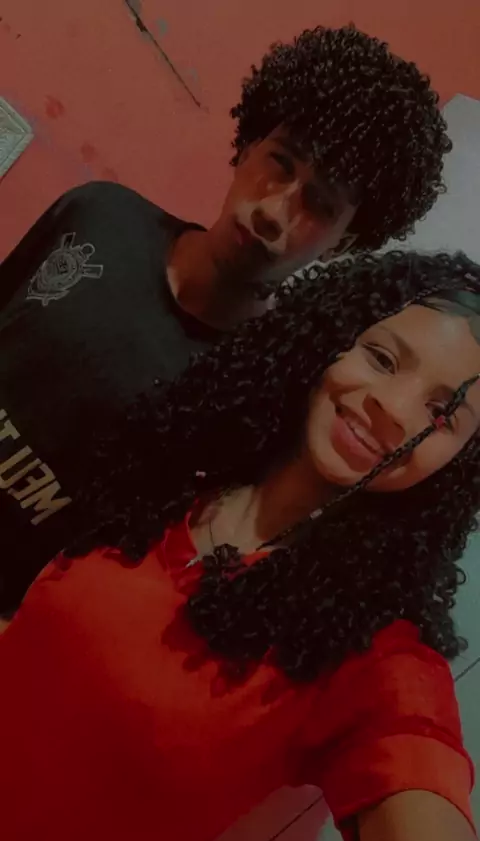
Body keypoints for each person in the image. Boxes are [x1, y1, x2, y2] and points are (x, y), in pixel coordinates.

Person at [1, 251, 479, 841]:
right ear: (331, 336)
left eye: (442, 415)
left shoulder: (369, 656)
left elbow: (417, 759)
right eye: (382, 358)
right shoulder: (175, 472)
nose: (396, 407)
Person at [0, 24, 451, 608]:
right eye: (280, 162)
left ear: (344, 243)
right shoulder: (98, 214)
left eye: (318, 204)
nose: (274, 210)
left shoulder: (258, 395)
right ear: (247, 145)